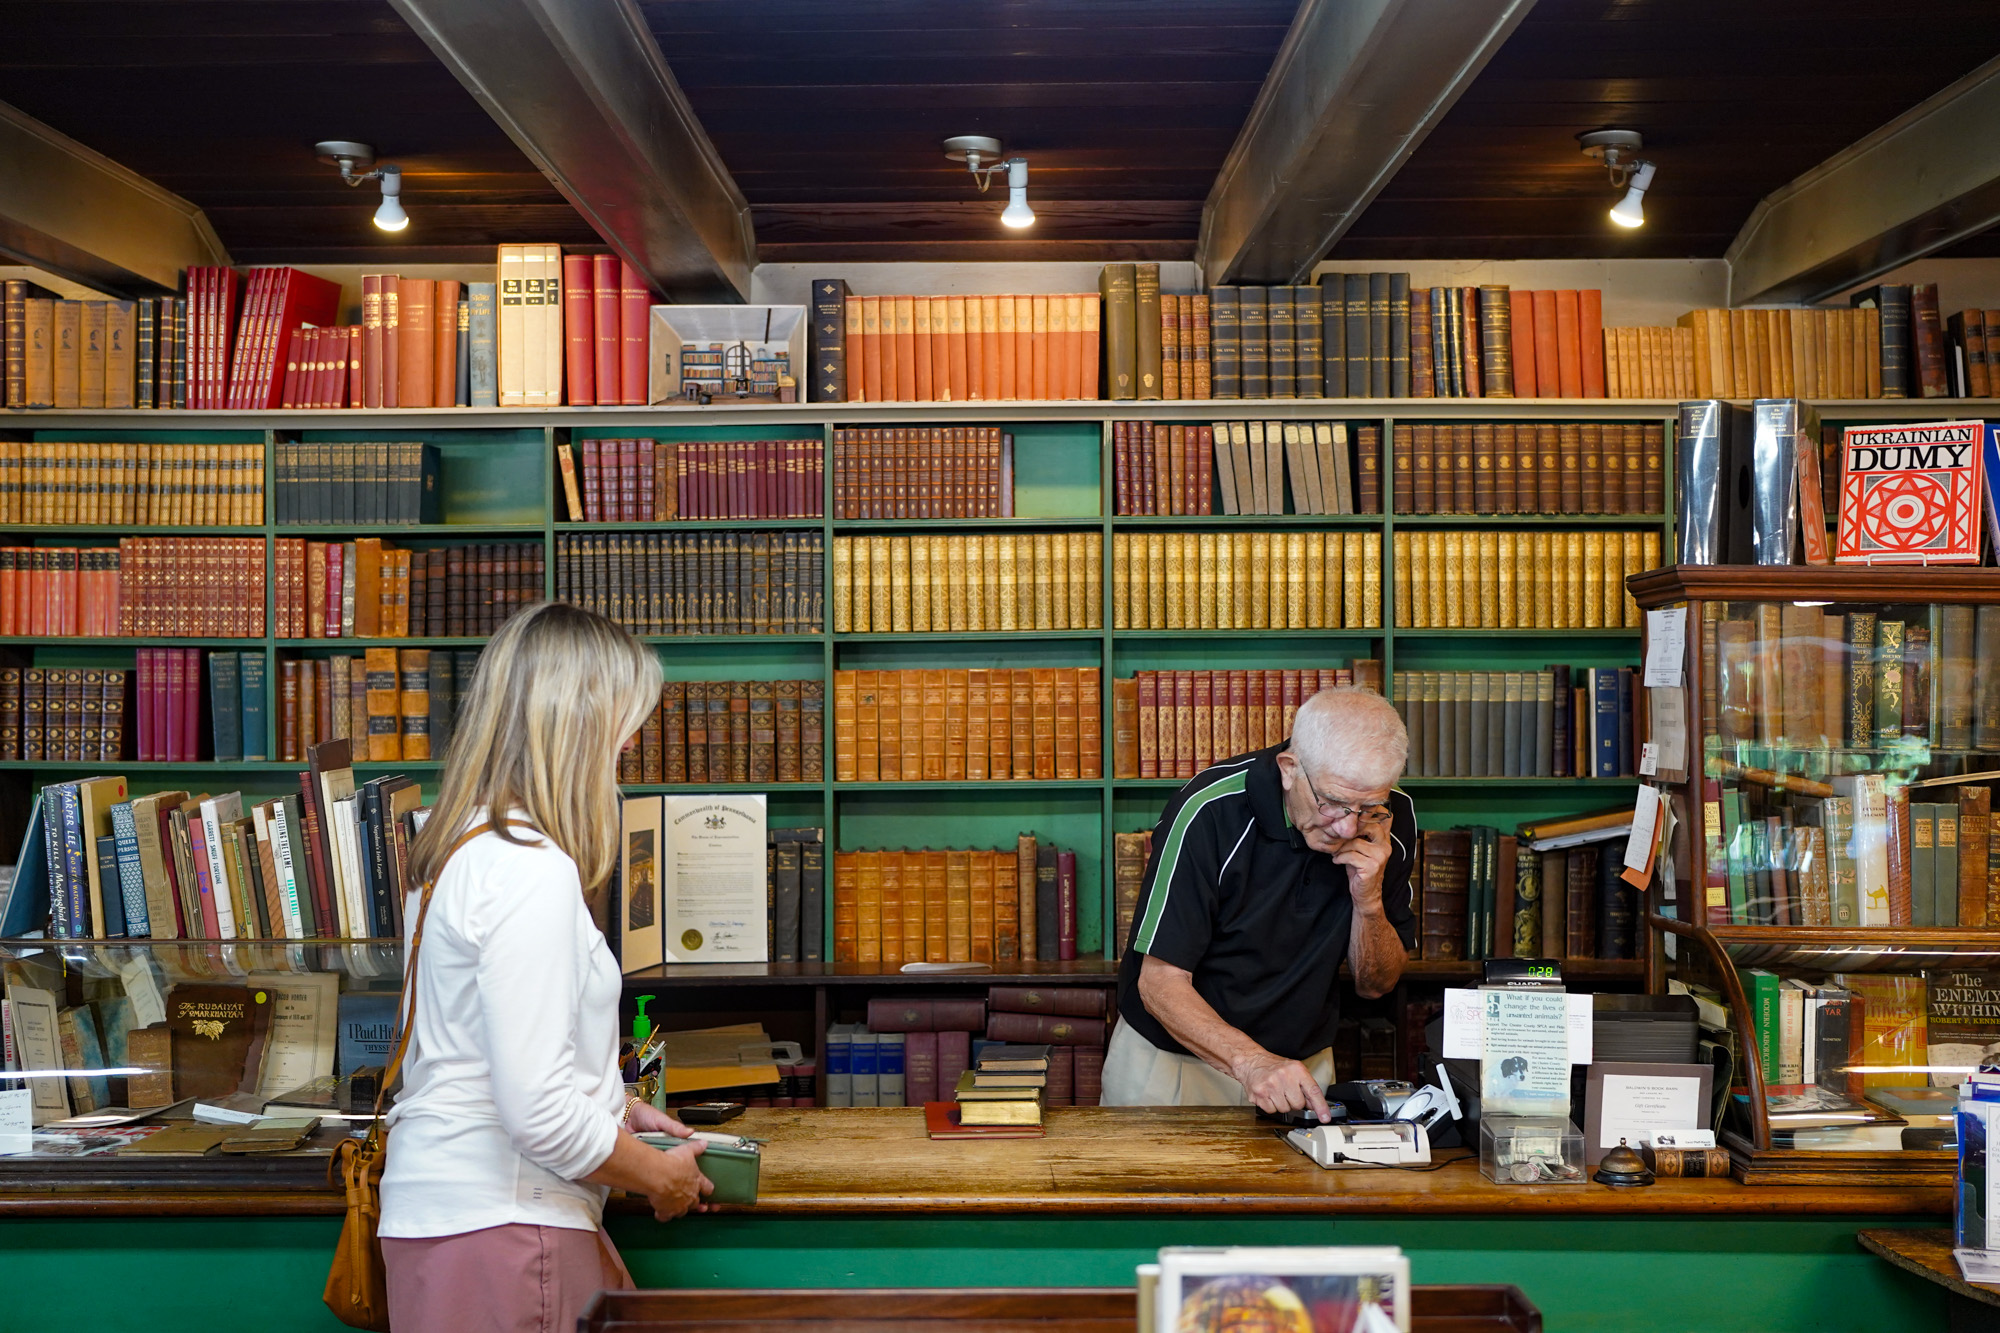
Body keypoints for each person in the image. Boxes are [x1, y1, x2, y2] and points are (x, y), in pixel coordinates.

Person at [380, 602, 712, 1332]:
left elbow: (474, 1052)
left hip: (449, 1219)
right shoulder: (530, 867)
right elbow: (535, 1113)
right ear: (576, 723)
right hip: (507, 1222)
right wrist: (661, 1174)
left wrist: (613, 1105)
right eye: (624, 720)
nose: (630, 743)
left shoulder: (456, 848)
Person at [1103, 687, 1416, 1118]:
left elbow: (1375, 984)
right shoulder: (1209, 810)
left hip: (1299, 1069)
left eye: (1368, 807)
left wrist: (1369, 902)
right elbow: (1159, 983)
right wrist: (1252, 1062)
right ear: (1289, 769)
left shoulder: (1390, 817)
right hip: (1175, 1064)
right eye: (1333, 803)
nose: (1347, 828)